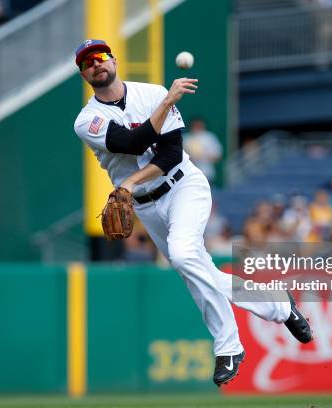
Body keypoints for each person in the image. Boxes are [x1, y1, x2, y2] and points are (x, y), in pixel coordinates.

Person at [73, 39, 312, 387]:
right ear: (83, 74)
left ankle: (231, 344)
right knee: (196, 273)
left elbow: (169, 155)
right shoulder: (87, 120)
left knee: (185, 256)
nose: (96, 63)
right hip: (144, 204)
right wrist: (168, 102)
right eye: (87, 62)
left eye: (100, 56)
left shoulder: (151, 92)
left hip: (184, 186)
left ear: (114, 60)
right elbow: (132, 143)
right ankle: (273, 310)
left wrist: (128, 183)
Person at [183, 117, 223, 184]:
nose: (197, 127)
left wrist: (203, 156)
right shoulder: (185, 138)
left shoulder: (210, 137)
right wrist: (190, 157)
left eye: (199, 125)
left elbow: (218, 156)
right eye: (195, 125)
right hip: (188, 174)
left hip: (206, 174)